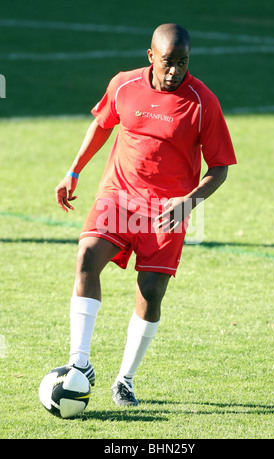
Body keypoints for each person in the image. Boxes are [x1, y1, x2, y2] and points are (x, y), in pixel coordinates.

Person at [55, 23, 237, 406]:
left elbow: (219, 167)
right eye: (169, 62)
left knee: (150, 293)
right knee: (87, 257)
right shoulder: (123, 85)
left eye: (183, 63)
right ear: (151, 56)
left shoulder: (203, 102)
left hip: (166, 211)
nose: (175, 71)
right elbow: (102, 125)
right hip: (117, 197)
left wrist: (188, 202)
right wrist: (74, 171)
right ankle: (79, 363)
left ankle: (125, 379)